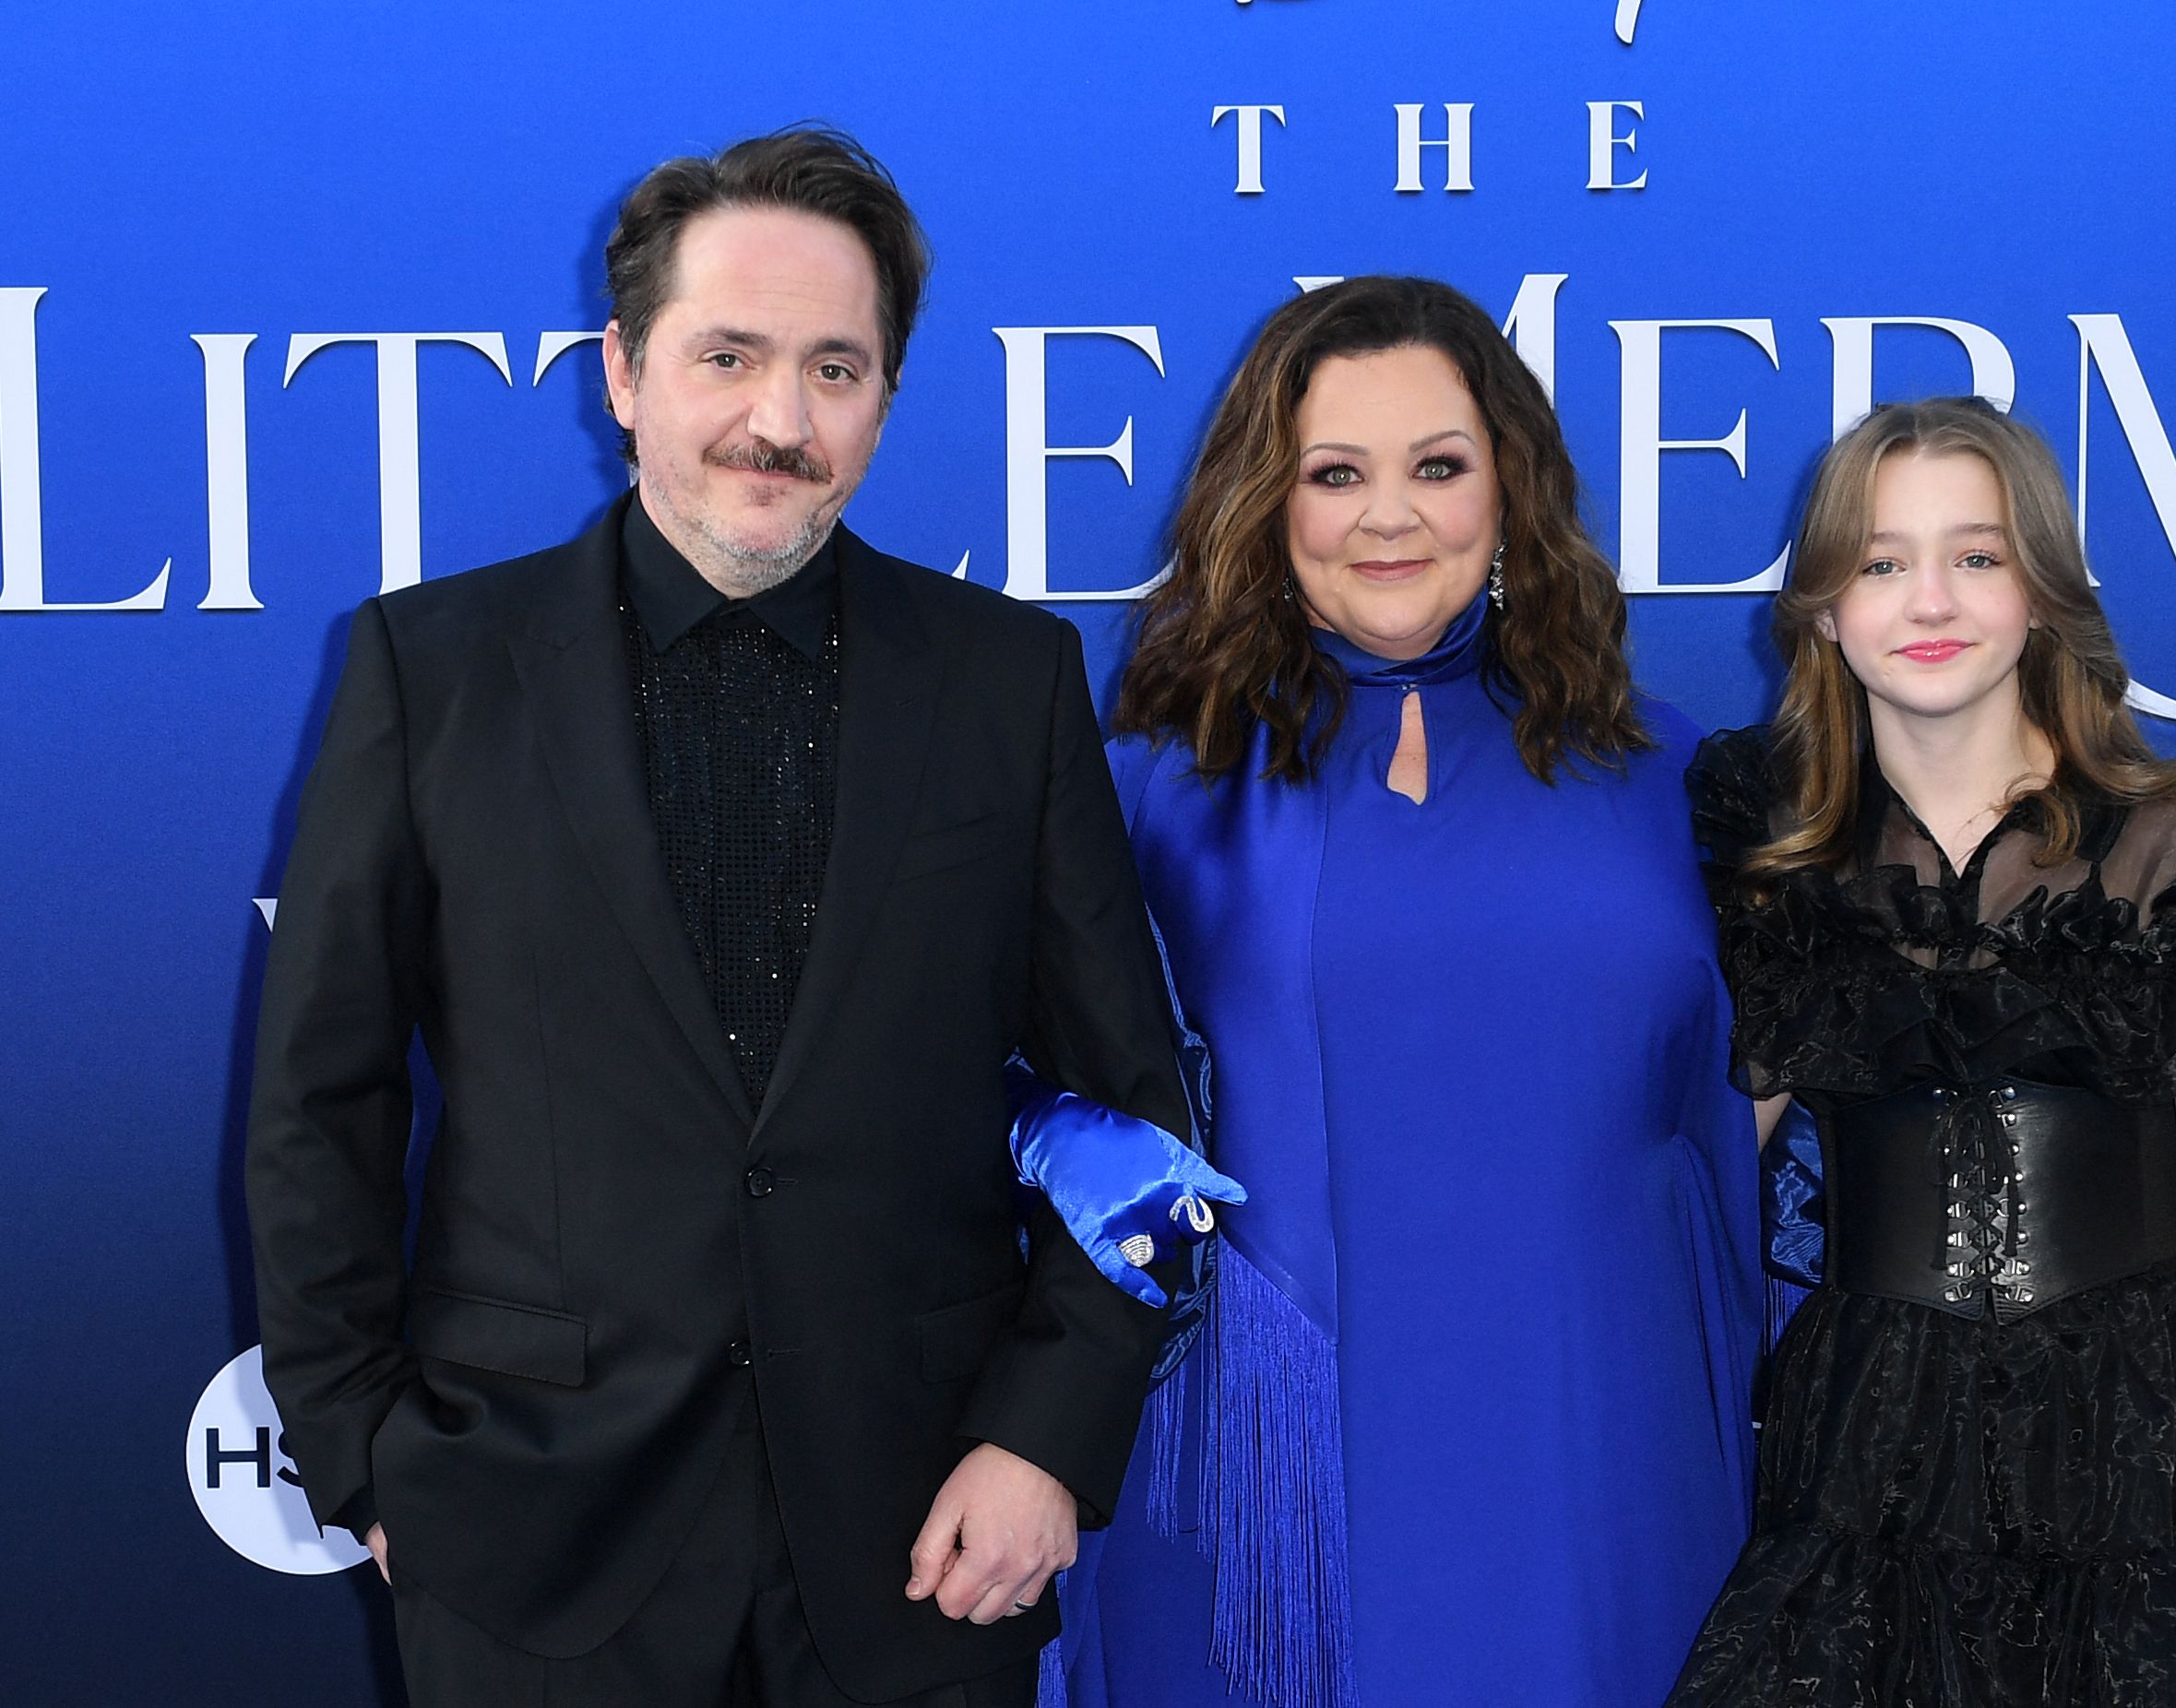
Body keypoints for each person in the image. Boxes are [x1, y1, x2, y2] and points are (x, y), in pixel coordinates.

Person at [244, 125, 1195, 1708]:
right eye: (729, 356)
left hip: (922, 1544)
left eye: (837, 368)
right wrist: (362, 1459)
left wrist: (1047, 1438)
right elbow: (314, 1109)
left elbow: (1137, 1122)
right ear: (622, 372)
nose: (781, 420)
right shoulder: (432, 673)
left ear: (886, 397)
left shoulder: (1004, 682)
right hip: (531, 1540)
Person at [1060, 276, 1763, 1708]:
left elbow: (1761, 1122)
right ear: (1268, 503)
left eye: (1437, 467)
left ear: (1510, 490)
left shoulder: (1679, 782)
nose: (1391, 517)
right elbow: (1024, 1098)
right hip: (1257, 1481)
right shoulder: (1145, 787)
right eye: (1336, 474)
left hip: (1604, 1448)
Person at [1666, 397, 2176, 1707]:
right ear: (1823, 609)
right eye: (1881, 562)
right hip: (1865, 1438)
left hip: (2135, 1435)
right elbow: (1702, 1162)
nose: (1927, 597)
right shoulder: (1769, 865)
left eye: (1976, 555)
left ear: (2042, 594)